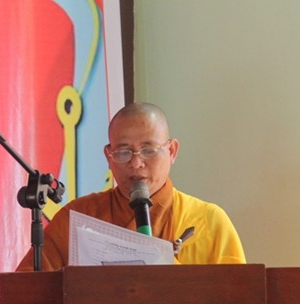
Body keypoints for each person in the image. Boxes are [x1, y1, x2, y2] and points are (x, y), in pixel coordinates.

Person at [17, 102, 245, 271]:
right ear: (108, 156)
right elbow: (28, 292)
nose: (136, 163)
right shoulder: (78, 218)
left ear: (172, 151)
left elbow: (238, 300)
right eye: (123, 152)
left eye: (148, 150)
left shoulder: (209, 222)